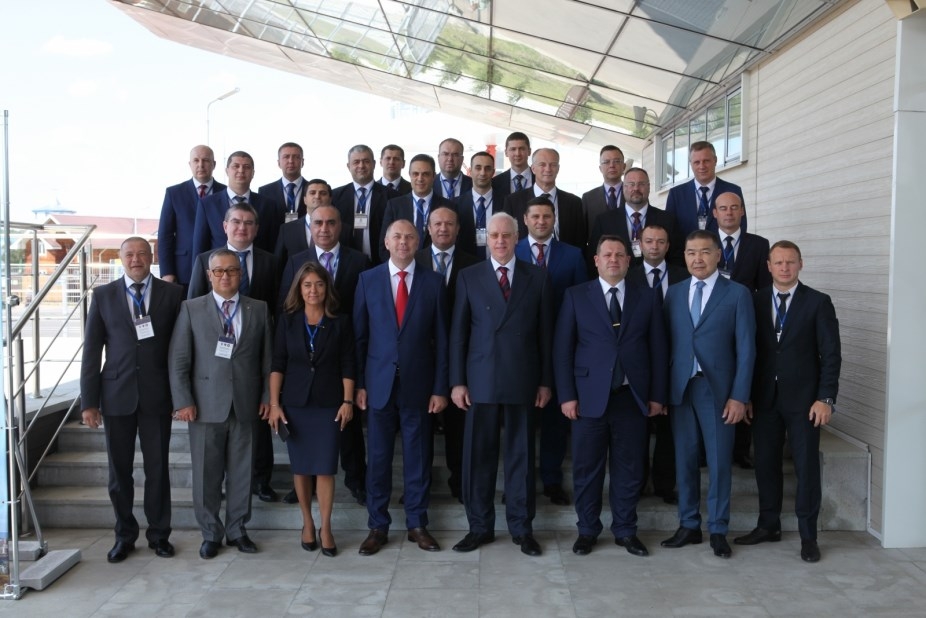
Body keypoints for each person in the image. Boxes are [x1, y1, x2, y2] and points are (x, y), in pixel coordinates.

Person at [553, 235, 668, 557]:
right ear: (596, 260)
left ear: (629, 261)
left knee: (629, 470)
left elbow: (658, 349)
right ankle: (587, 530)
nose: (613, 260)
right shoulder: (576, 295)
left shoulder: (647, 297)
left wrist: (657, 395)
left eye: (620, 255)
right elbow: (563, 350)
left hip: (632, 398)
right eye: (607, 255)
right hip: (588, 399)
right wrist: (567, 396)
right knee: (586, 470)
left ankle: (626, 531)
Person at [450, 212, 554, 557]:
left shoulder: (537, 277)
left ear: (516, 237)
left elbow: (545, 336)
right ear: (486, 239)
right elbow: (458, 334)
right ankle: (479, 527)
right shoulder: (469, 276)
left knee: (521, 458)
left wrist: (545, 381)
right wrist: (457, 382)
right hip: (480, 381)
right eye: (494, 235)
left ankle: (522, 529)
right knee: (478, 458)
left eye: (506, 235)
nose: (499, 241)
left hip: (522, 379)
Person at [734, 241, 841, 563]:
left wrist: (825, 398)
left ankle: (809, 536)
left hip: (805, 402)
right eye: (778, 262)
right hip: (764, 399)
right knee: (766, 464)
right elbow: (746, 351)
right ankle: (769, 525)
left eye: (790, 262)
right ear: (768, 266)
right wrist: (745, 395)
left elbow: (831, 355)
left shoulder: (818, 302)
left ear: (800, 264)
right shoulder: (754, 300)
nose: (784, 267)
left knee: (806, 467)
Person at [80, 237, 183, 563]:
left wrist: (181, 395)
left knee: (158, 469)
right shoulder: (103, 295)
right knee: (119, 472)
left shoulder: (172, 294)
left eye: (141, 253)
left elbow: (180, 350)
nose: (136, 259)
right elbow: (92, 351)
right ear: (121, 258)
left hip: (157, 395)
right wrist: (89, 402)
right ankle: (124, 536)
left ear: (152, 257)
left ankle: (159, 535)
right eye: (129, 254)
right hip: (116, 395)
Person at [169, 248, 272, 560]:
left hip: (246, 404)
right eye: (219, 271)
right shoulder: (191, 308)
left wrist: (268, 397)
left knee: (242, 473)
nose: (225, 276)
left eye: (232, 270)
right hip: (204, 406)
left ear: (240, 274)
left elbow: (267, 360)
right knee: (206, 474)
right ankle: (211, 533)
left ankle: (237, 530)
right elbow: (179, 360)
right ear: (209, 275)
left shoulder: (259, 308)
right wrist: (183, 401)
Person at [354, 219, 449, 555]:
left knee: (418, 458)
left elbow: (443, 340)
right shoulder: (367, 280)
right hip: (378, 385)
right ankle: (377, 526)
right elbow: (359, 338)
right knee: (378, 459)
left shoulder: (434, 282)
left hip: (419, 386)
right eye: (397, 236)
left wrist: (440, 388)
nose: (403, 242)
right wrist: (359, 385)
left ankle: (417, 524)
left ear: (418, 242)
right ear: (386, 242)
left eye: (409, 237)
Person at [661, 230, 756, 559]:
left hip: (718, 392)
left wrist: (739, 396)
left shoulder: (737, 294)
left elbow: (747, 350)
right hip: (681, 388)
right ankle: (688, 524)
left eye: (704, 252)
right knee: (684, 460)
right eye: (691, 252)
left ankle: (718, 528)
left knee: (718, 462)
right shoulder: (674, 293)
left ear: (718, 255)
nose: (697, 259)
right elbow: (666, 343)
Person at [277, 205, 371, 505]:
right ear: (310, 226)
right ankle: (302, 486)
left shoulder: (359, 260)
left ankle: (356, 480)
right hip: (304, 359)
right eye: (318, 222)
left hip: (343, 349)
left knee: (349, 430)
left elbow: (364, 307)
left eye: (331, 222)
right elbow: (286, 305)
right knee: (303, 437)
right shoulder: (296, 261)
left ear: (341, 226)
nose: (324, 228)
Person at [187, 202, 281, 502]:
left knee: (257, 425)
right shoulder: (206, 259)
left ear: (257, 229)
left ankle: (260, 480)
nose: (242, 228)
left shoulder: (270, 261)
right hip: (213, 364)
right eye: (236, 222)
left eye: (249, 223)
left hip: (253, 356)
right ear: (225, 226)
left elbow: (277, 306)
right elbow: (193, 306)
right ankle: (221, 484)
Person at [269, 262, 355, 557]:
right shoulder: (287, 321)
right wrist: (274, 404)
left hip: (329, 405)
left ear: (327, 288)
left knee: (326, 468)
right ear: (299, 289)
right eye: (307, 285)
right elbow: (277, 364)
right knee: (302, 468)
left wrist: (347, 401)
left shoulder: (340, 322)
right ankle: (307, 522)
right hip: (296, 405)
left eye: (319, 284)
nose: (313, 290)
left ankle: (326, 527)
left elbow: (348, 364)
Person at [514, 196, 587, 505]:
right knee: (522, 420)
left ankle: (552, 480)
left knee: (555, 421)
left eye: (547, 216)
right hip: (519, 349)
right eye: (535, 216)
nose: (541, 221)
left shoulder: (572, 255)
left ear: (554, 219)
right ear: (525, 220)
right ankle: (521, 482)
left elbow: (583, 300)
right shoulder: (511, 250)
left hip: (560, 346)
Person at [414, 206, 480, 501]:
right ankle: (420, 485)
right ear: (428, 228)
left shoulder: (474, 264)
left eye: (449, 224)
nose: (443, 228)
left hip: (460, 356)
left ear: (458, 229)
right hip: (420, 356)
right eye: (437, 224)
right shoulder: (413, 260)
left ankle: (459, 481)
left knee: (458, 424)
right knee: (420, 427)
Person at [626, 224, 688, 504]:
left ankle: (665, 484)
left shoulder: (683, 275)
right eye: (649, 241)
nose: (654, 246)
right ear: (639, 244)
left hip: (674, 360)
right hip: (637, 361)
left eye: (660, 241)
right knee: (636, 427)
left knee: (667, 429)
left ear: (668, 246)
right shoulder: (627, 275)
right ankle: (638, 482)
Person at [712, 191, 772, 469]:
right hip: (712, 325)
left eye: (734, 208)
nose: (729, 213)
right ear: (715, 213)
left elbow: (764, 289)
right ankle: (708, 448)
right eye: (723, 208)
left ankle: (741, 449)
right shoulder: (704, 242)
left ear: (742, 212)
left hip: (745, 323)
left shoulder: (758, 245)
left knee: (743, 380)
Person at [157, 145, 225, 295]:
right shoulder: (174, 193)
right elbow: (165, 235)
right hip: (183, 271)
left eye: (206, 160)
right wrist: (167, 272)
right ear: (190, 164)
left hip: (220, 268)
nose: (201, 165)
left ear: (214, 164)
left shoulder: (225, 193)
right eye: (196, 160)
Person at [191, 151, 285, 258]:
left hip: (257, 266)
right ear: (227, 171)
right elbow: (199, 247)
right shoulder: (207, 204)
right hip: (219, 266)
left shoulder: (268, 205)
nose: (241, 170)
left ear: (253, 173)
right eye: (236, 166)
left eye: (246, 167)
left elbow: (273, 245)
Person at [588, 167, 683, 270]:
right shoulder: (604, 221)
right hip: (618, 279)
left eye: (641, 184)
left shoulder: (667, 220)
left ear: (649, 187)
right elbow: (593, 258)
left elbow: (676, 258)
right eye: (631, 184)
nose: (636, 188)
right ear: (623, 187)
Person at [504, 148, 586, 249]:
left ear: (558, 168)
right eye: (542, 165)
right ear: (533, 169)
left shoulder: (574, 203)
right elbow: (508, 236)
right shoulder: (513, 201)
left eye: (553, 165)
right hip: (525, 258)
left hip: (564, 258)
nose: (548, 169)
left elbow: (580, 242)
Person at [380, 154, 453, 262]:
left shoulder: (448, 206)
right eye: (415, 174)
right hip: (403, 267)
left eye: (425, 174)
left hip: (435, 266)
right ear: (409, 175)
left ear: (434, 176)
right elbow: (384, 244)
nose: (420, 179)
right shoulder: (394, 205)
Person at [664, 141, 746, 237]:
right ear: (691, 164)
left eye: (706, 161)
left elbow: (741, 226)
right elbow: (669, 230)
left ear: (715, 160)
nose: (702, 166)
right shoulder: (676, 194)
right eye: (697, 162)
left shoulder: (732, 191)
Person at [331, 145, 393, 264]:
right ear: (348, 166)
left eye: (366, 161)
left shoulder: (391, 196)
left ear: (374, 164)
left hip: (380, 262)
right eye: (356, 162)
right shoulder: (335, 197)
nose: (361, 166)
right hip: (346, 263)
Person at [273, 179, 334, 265]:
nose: (317, 196)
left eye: (323, 193)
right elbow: (278, 264)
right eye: (312, 193)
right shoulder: (286, 230)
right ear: (304, 199)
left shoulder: (343, 230)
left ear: (330, 199)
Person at [456, 151, 497, 259]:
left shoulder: (506, 202)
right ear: (470, 171)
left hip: (497, 263)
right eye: (478, 168)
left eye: (487, 168)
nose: (483, 173)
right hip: (466, 263)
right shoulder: (456, 204)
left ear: (493, 172)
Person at [581, 145, 626, 238]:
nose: (612, 165)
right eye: (606, 162)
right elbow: (582, 234)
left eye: (617, 161)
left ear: (624, 166)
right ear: (600, 168)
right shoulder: (588, 198)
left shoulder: (634, 194)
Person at [258, 142, 308, 221]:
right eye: (286, 157)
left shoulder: (314, 190)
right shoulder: (265, 192)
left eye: (296, 157)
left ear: (302, 162)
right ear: (279, 163)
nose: (291, 161)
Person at [491, 131, 532, 203]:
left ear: (529, 151)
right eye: (513, 149)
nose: (517, 153)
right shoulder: (495, 183)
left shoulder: (540, 178)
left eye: (522, 149)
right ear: (506, 152)